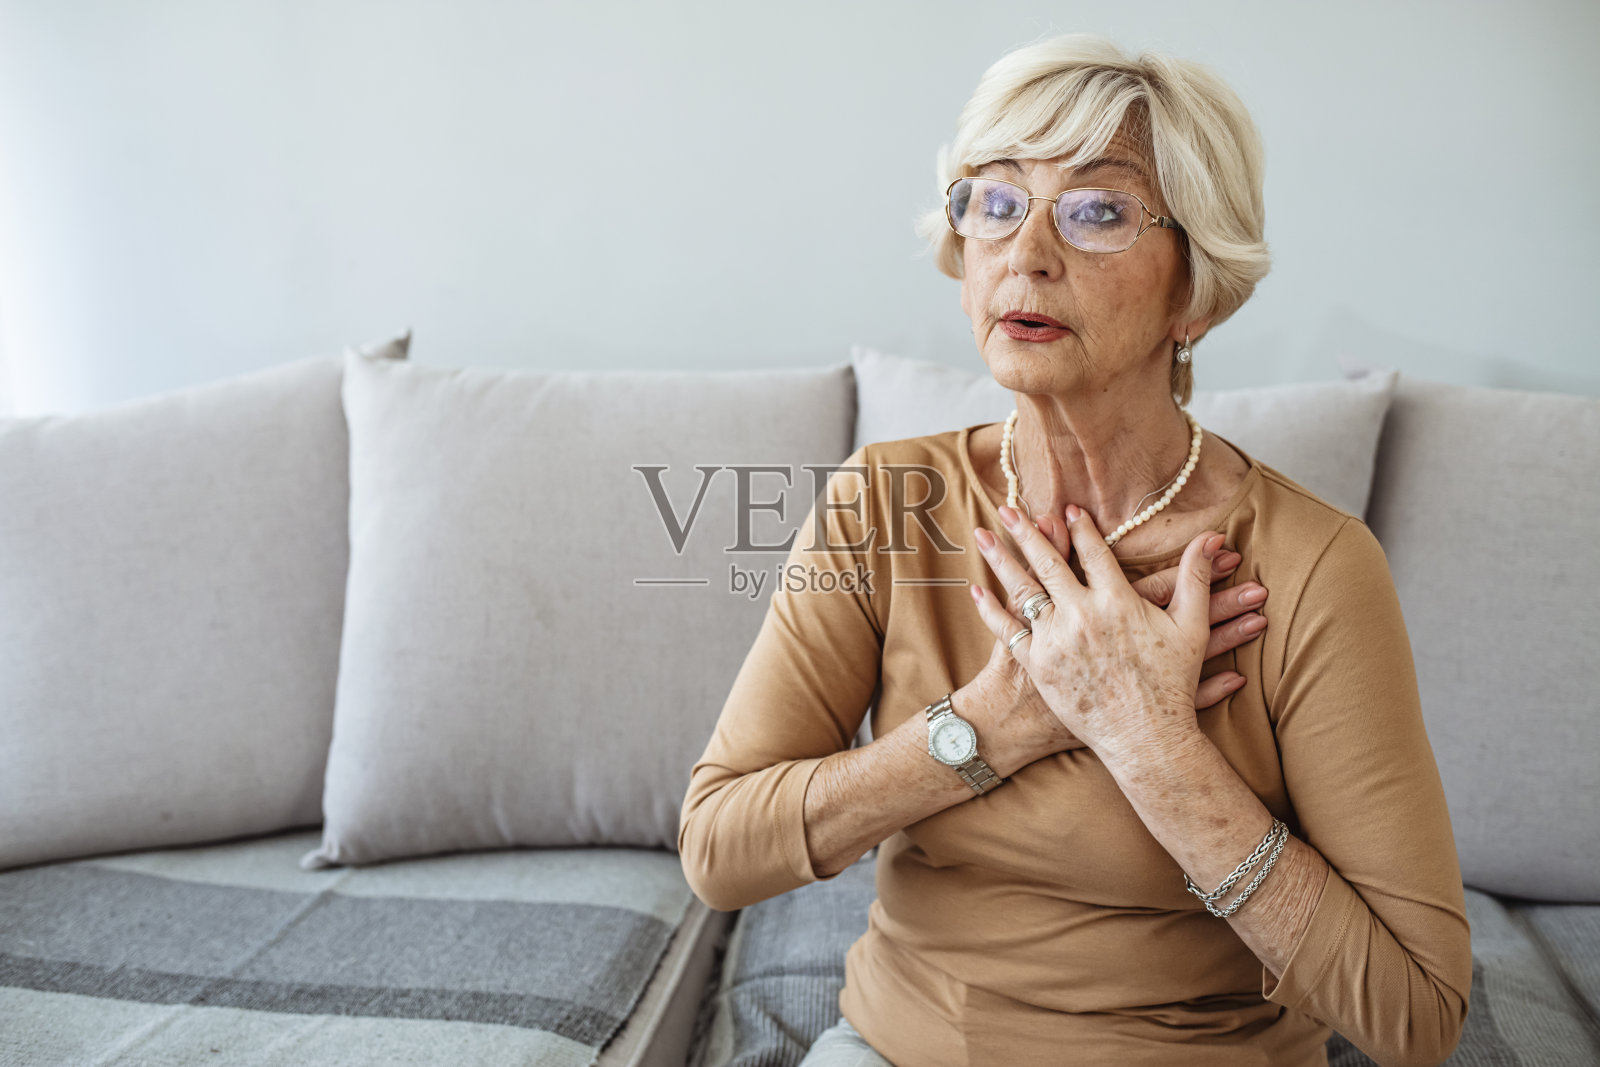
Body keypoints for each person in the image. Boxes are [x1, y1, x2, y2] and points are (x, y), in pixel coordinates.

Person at [679, 33, 1470, 1067]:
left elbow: (1416, 1016)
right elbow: (719, 846)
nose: (1027, 252)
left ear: (1195, 291)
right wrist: (993, 725)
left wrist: (1148, 740)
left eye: (1098, 211)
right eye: (997, 201)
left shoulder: (1314, 565)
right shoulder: (884, 502)